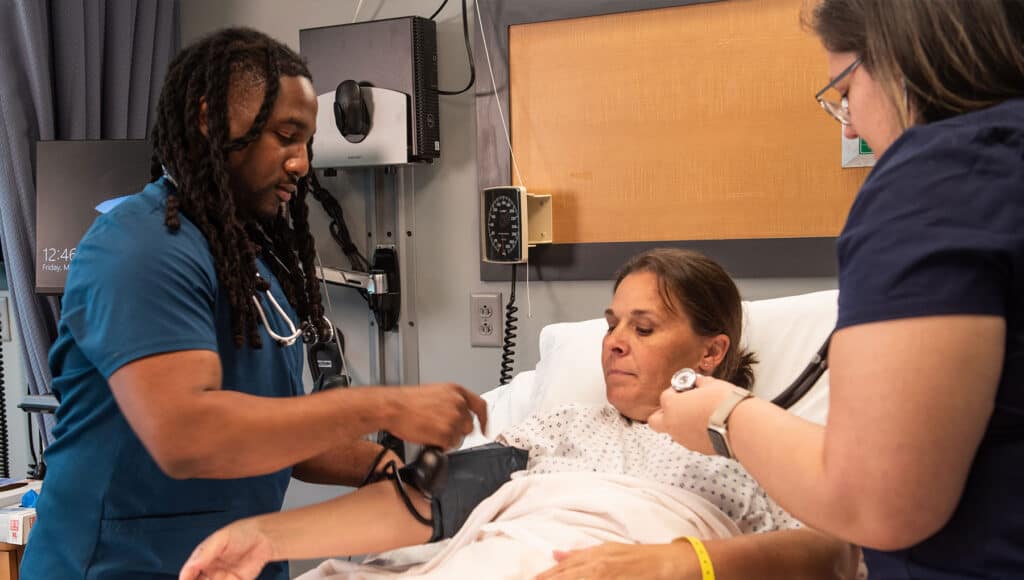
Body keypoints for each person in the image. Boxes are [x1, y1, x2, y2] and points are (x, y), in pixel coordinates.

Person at [20, 28, 485, 580]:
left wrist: (379, 466)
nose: (302, 163)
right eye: (286, 136)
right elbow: (188, 435)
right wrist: (382, 406)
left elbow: (274, 433)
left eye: (307, 143)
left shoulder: (249, 261)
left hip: (234, 564)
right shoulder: (140, 248)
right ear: (210, 120)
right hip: (119, 566)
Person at [180, 249, 861, 580]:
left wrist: (674, 564)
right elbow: (429, 503)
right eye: (611, 323)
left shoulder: (757, 443)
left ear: (712, 351)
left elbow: (833, 553)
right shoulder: (563, 427)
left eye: (645, 328)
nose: (614, 342)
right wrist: (266, 538)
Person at [647, 1, 1024, 578]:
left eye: (845, 92)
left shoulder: (939, 178)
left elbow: (876, 503)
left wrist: (724, 417)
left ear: (902, 57)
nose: (849, 127)